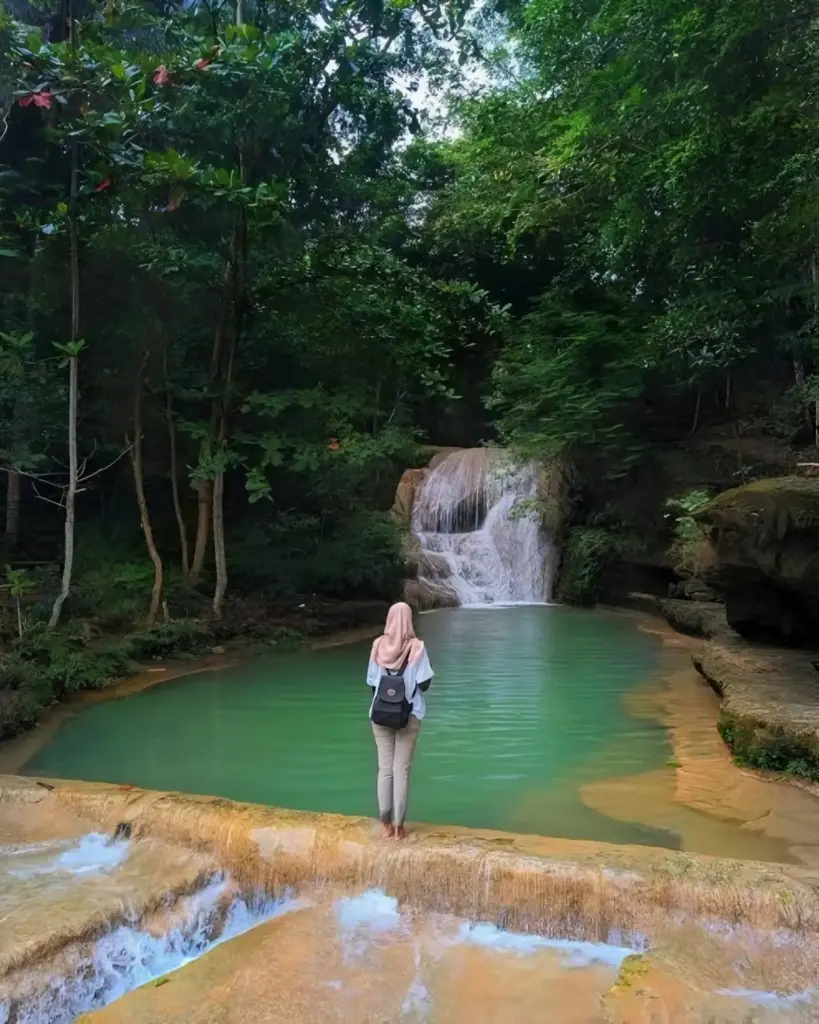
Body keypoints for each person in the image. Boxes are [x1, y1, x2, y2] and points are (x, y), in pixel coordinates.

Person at [366, 601, 433, 839]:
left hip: (380, 715)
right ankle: (399, 827)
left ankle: (384, 825)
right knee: (401, 769)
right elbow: (425, 683)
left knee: (385, 769)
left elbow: (371, 682)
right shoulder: (417, 647)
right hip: (409, 715)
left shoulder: (377, 645)